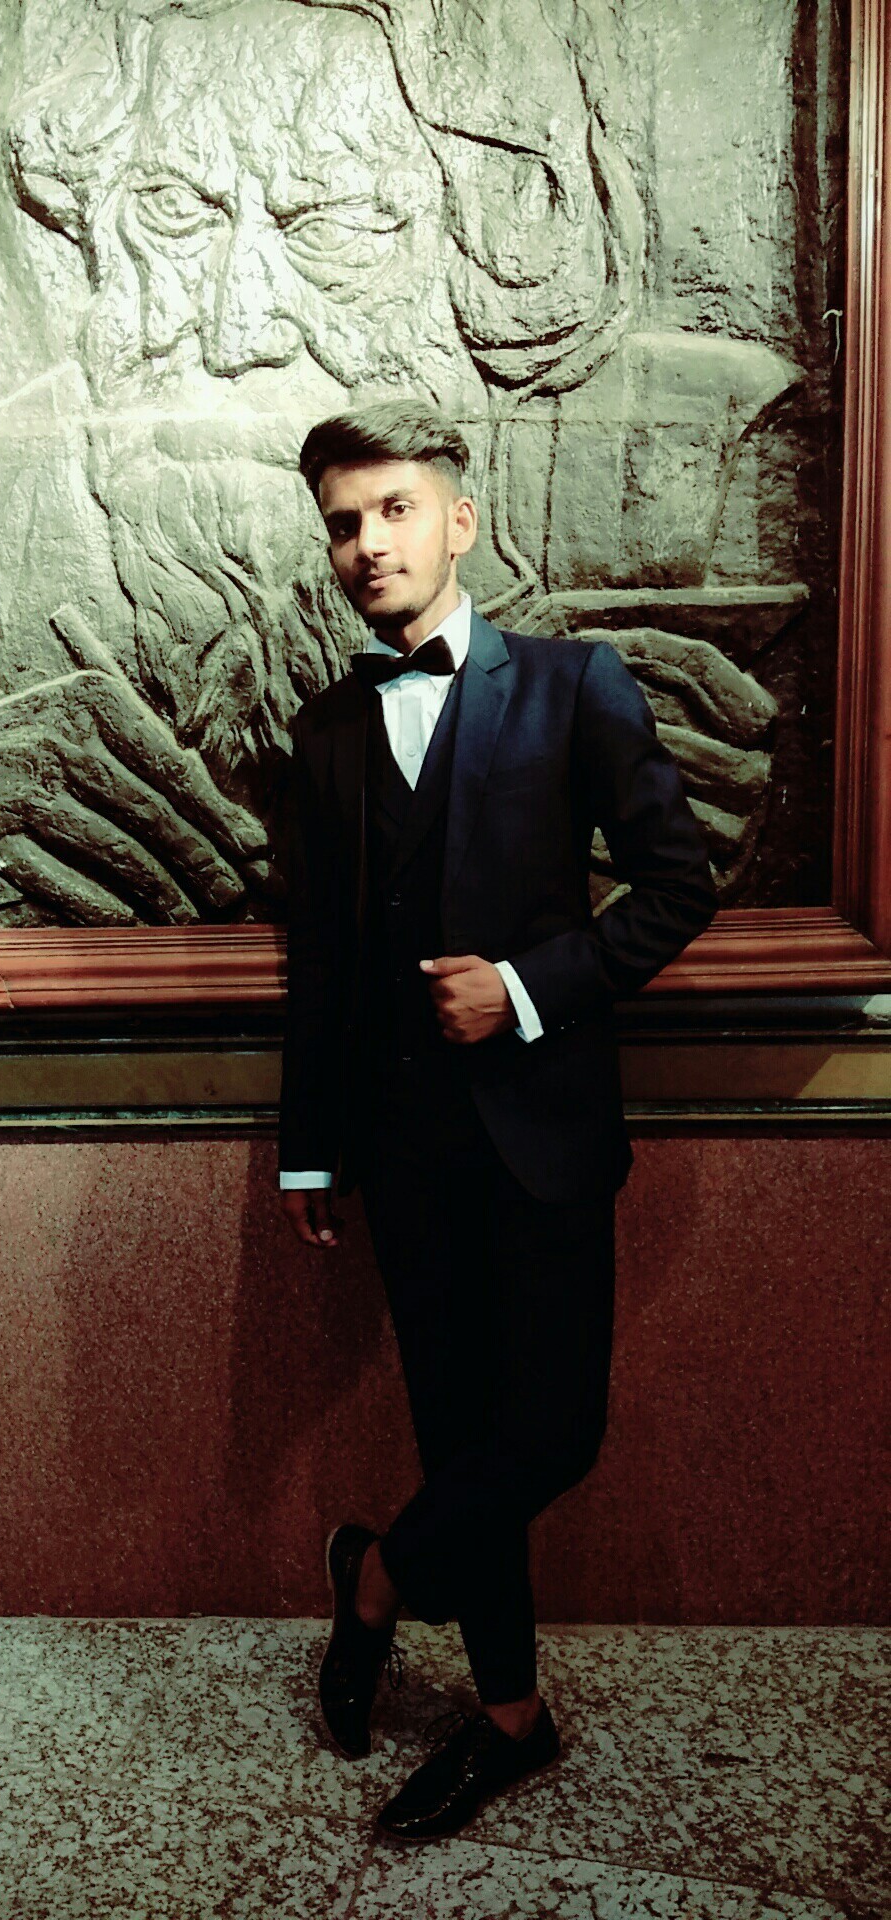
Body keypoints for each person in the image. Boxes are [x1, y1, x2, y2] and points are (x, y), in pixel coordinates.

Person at [278, 399, 719, 1842]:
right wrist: (309, 1149)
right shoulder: (326, 731)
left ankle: (375, 1579)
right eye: (344, 523)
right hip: (401, 1152)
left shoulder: (576, 684)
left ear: (459, 523)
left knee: (551, 1435)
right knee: (460, 1430)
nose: (368, 542)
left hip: (544, 1138)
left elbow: (679, 885)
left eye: (395, 509)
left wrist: (526, 989)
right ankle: (513, 1718)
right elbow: (322, 964)